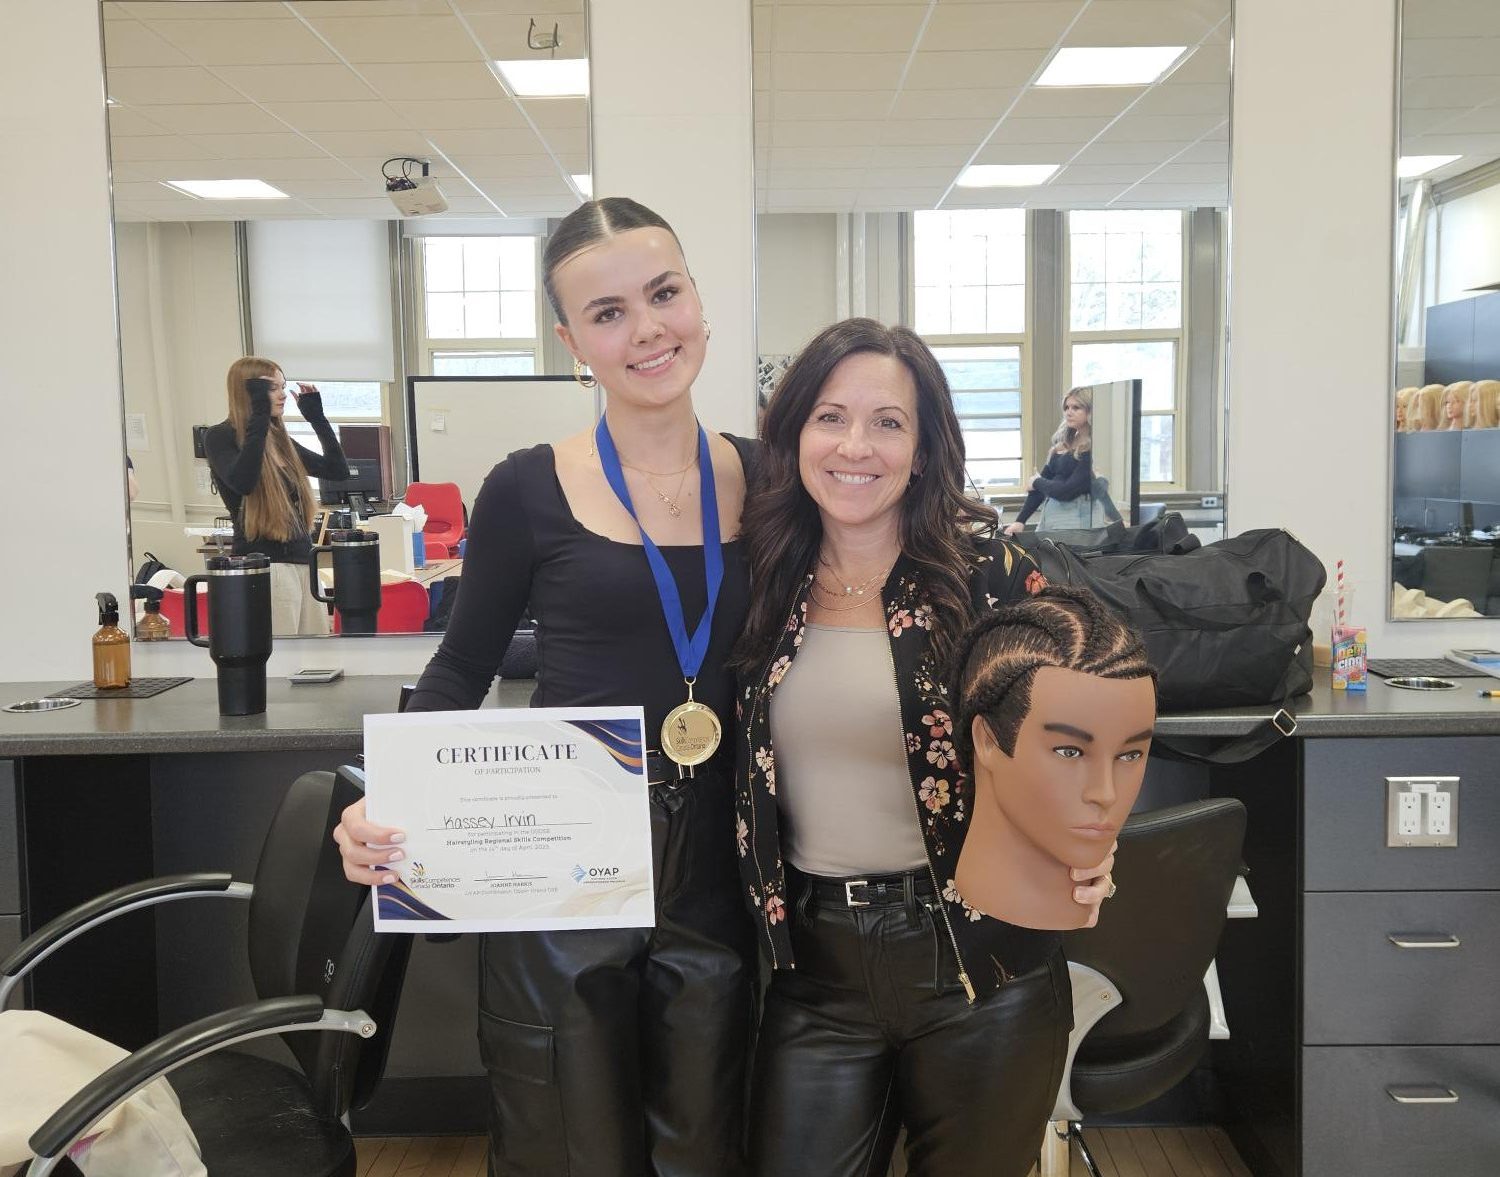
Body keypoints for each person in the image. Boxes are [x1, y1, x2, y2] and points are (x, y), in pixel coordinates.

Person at [333, 198, 757, 1177]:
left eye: (663, 293)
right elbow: (459, 669)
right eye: (608, 313)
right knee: (570, 1151)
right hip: (566, 869)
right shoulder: (527, 487)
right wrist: (382, 797)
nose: (646, 328)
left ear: (698, 299)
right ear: (572, 343)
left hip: (724, 870)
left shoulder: (771, 479)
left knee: (710, 1150)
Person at [731, 318, 1116, 1177]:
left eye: (888, 422)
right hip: (816, 972)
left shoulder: (991, 575)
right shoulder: (761, 576)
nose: (854, 446)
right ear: (793, 433)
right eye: (830, 417)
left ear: (924, 446)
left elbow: (1094, 720)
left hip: (983, 964)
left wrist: (1093, 839)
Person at [203, 357, 348, 635]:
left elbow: (337, 470)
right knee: (282, 654)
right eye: (271, 388)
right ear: (249, 392)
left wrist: (317, 418)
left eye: (283, 386)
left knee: (316, 654)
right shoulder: (220, 436)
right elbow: (244, 481)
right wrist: (259, 413)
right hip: (267, 567)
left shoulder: (280, 441)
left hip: (304, 563)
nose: (282, 395)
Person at [1004, 385, 1095, 535]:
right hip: (1050, 517)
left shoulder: (1093, 448)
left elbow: (1066, 491)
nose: (1068, 412)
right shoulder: (1063, 445)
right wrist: (1020, 521)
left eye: (1076, 408)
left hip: (1076, 520)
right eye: (1066, 407)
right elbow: (1040, 488)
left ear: (1090, 410)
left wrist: (1036, 482)